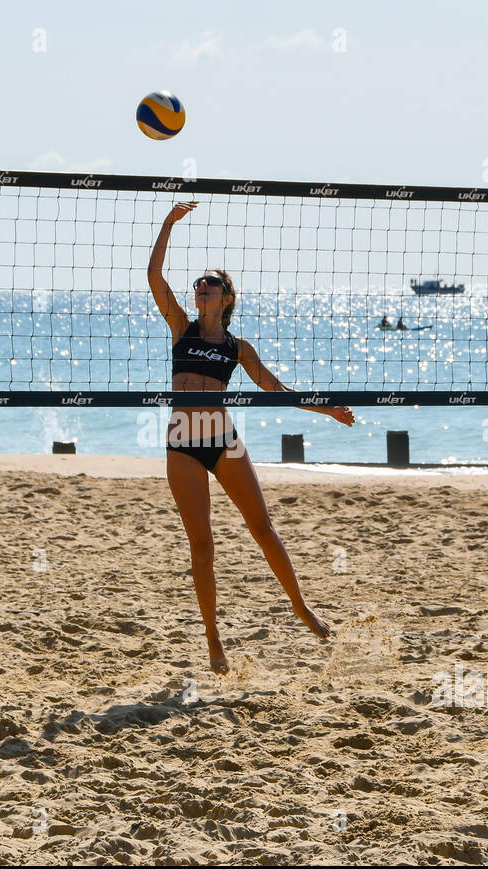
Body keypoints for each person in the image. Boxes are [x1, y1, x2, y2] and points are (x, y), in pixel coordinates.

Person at [149, 200, 354, 674]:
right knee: (202, 546)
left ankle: (302, 608)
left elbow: (276, 389)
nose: (202, 287)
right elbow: (154, 276)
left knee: (262, 528)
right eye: (199, 283)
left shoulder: (237, 347)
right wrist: (168, 225)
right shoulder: (180, 328)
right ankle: (213, 641)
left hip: (222, 438)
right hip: (183, 438)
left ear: (226, 299)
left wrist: (326, 411)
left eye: (211, 284)